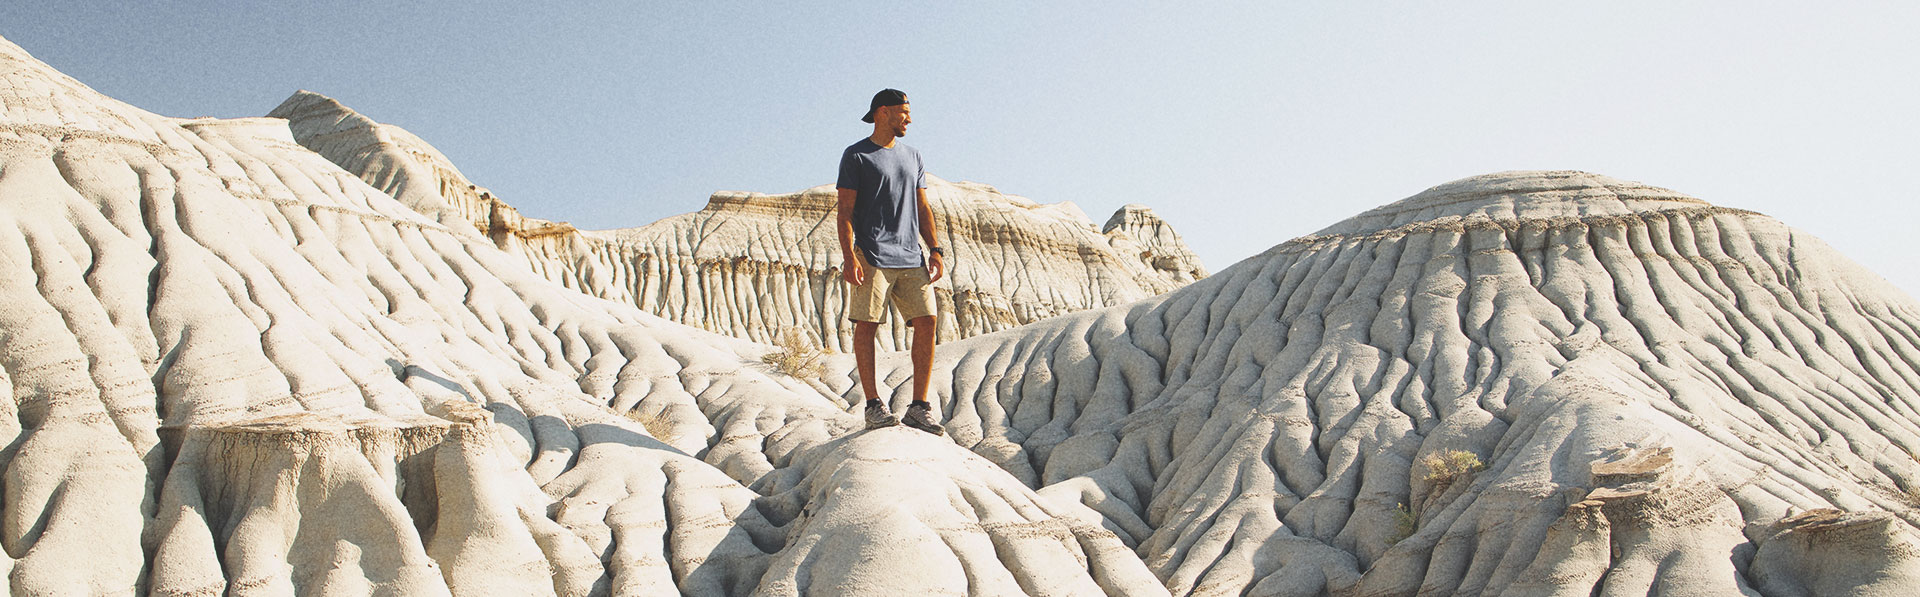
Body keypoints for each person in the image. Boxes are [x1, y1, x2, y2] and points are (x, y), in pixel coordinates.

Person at [836, 88, 945, 435]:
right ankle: (872, 405)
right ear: (882, 113)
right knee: (867, 325)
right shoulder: (856, 156)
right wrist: (849, 254)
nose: (909, 119)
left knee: (927, 321)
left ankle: (919, 406)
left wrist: (936, 249)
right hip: (872, 254)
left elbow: (923, 207)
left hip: (911, 256)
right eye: (904, 113)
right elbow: (845, 212)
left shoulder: (913, 156)